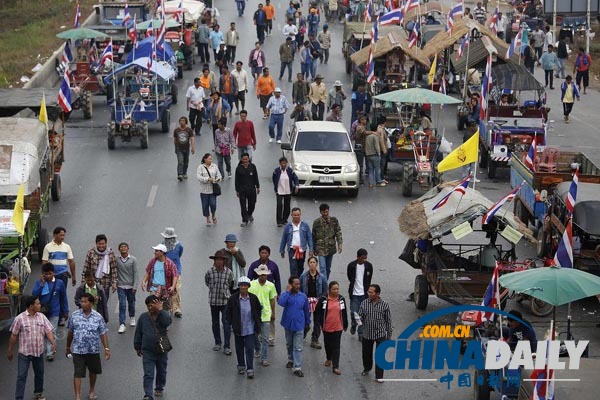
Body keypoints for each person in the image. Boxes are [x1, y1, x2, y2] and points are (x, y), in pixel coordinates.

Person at [8, 295, 56, 400]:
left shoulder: (42, 317)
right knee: (21, 376)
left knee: (39, 374)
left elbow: (48, 331)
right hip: (24, 353)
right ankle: (19, 397)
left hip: (38, 352)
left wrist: (52, 343)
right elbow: (13, 335)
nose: (40, 305)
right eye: (38, 303)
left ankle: (38, 393)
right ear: (31, 306)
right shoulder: (19, 319)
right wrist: (10, 350)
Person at [66, 293, 110, 400]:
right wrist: (68, 347)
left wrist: (106, 348)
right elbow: (70, 332)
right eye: (81, 301)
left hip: (93, 350)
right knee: (78, 373)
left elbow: (103, 333)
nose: (83, 304)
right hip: (78, 350)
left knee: (93, 372)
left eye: (85, 302)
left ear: (91, 303)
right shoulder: (74, 315)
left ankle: (91, 390)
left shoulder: (98, 317)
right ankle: (77, 396)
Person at [134, 295, 172, 400]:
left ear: (158, 304)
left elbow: (167, 322)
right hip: (148, 350)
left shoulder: (163, 315)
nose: (150, 308)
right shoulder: (143, 317)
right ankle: (148, 394)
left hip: (162, 347)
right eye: (148, 306)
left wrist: (161, 310)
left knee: (162, 370)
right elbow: (138, 333)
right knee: (148, 373)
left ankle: (159, 387)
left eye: (152, 305)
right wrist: (137, 346)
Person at [226, 276, 262, 378]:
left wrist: (257, 323)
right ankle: (241, 365)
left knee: (250, 348)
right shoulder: (233, 299)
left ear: (248, 287)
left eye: (245, 286)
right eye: (241, 286)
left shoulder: (253, 298)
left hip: (250, 328)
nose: (243, 288)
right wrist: (231, 323)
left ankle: (250, 368)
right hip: (238, 328)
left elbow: (258, 310)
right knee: (239, 348)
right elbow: (228, 313)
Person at [31, 263, 68, 361]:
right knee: (41, 332)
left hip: (55, 312)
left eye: (50, 273)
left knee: (51, 332)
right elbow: (34, 295)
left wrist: (65, 311)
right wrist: (41, 284)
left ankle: (50, 352)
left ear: (54, 273)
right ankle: (39, 350)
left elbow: (63, 298)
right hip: (41, 313)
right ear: (43, 274)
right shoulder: (39, 282)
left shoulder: (59, 283)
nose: (48, 276)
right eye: (46, 274)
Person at [359, 284, 393, 382]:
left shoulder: (384, 305)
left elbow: (388, 320)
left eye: (371, 292)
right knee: (366, 354)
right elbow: (360, 316)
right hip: (367, 333)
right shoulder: (364, 303)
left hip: (380, 334)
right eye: (368, 292)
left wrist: (389, 334)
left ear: (377, 294)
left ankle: (379, 376)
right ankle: (367, 368)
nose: (369, 294)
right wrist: (358, 319)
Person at [278, 276, 310, 377]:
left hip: (299, 324)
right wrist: (287, 292)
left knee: (298, 347)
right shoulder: (286, 295)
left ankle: (297, 367)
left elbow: (306, 310)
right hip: (288, 324)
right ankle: (290, 359)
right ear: (291, 285)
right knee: (289, 344)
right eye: (295, 284)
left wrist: (307, 323)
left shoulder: (303, 296)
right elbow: (281, 302)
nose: (298, 286)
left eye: (298, 284)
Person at [315, 281, 348, 375]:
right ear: (329, 290)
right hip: (326, 327)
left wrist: (345, 324)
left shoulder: (341, 299)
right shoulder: (323, 299)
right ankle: (329, 358)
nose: (336, 291)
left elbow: (344, 312)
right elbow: (317, 312)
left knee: (336, 346)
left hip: (338, 327)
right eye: (334, 289)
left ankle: (335, 366)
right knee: (328, 345)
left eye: (337, 289)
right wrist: (319, 324)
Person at [205, 250, 234, 355]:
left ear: (223, 261)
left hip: (225, 300)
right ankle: (217, 342)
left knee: (226, 323)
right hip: (213, 301)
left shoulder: (229, 272)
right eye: (217, 260)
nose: (218, 262)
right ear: (214, 261)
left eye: (220, 260)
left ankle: (227, 346)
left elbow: (230, 283)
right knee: (215, 323)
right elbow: (207, 282)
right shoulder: (209, 272)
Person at [249, 264, 277, 365]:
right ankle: (257, 348)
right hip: (254, 314)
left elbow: (272, 300)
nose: (263, 276)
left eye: (265, 274)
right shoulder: (251, 285)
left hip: (266, 314)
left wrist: (273, 313)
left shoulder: (271, 285)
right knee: (254, 335)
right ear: (258, 274)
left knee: (265, 338)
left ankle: (264, 358)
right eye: (261, 274)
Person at [299, 257, 328, 349]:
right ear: (308, 264)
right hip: (306, 301)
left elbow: (325, 290)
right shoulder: (303, 276)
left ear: (316, 264)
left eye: (314, 262)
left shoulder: (322, 277)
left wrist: (321, 300)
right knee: (305, 321)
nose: (312, 264)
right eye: (310, 262)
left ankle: (315, 339)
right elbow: (299, 288)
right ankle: (303, 332)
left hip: (318, 302)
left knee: (318, 322)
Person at [141, 244, 179, 313]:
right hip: (154, 288)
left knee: (166, 309)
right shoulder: (152, 262)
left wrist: (173, 286)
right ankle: (154, 322)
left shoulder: (170, 263)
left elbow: (175, 276)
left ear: (162, 252)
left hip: (166, 289)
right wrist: (144, 281)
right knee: (153, 307)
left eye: (156, 251)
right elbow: (148, 273)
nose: (154, 252)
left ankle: (165, 321)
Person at [81, 234, 118, 303]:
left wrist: (114, 283)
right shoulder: (91, 252)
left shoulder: (110, 253)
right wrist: (83, 281)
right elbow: (86, 268)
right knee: (92, 303)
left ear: (106, 243)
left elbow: (114, 269)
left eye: (103, 244)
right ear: (96, 244)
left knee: (103, 303)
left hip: (105, 283)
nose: (101, 246)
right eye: (99, 244)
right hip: (92, 283)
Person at [312, 203, 343, 280]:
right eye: (323, 212)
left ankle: (325, 281)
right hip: (320, 248)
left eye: (326, 211)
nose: (325, 214)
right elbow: (313, 236)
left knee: (327, 268)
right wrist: (312, 249)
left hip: (330, 248)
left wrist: (340, 244)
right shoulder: (316, 222)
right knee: (322, 267)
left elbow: (338, 232)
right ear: (320, 212)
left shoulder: (334, 221)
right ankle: (324, 286)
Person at [280, 207, 314, 277]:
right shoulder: (288, 226)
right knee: (293, 267)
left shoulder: (305, 225)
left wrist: (311, 249)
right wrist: (282, 250)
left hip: (302, 250)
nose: (296, 217)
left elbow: (309, 237)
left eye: (298, 215)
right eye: (294, 215)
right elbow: (284, 238)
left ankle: (299, 279)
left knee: (300, 266)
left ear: (300, 215)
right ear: (291, 215)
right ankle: (293, 281)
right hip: (292, 250)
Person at [347, 249, 372, 340]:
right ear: (358, 257)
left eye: (365, 258)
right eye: (362, 258)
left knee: (363, 315)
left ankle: (360, 333)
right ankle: (354, 324)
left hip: (364, 295)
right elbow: (350, 277)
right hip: (354, 294)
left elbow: (369, 279)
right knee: (354, 313)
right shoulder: (352, 266)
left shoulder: (369, 266)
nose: (364, 260)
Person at [42, 226, 76, 292]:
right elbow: (44, 262)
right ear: (55, 235)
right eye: (61, 235)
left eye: (63, 235)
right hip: (51, 275)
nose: (62, 237)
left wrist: (73, 276)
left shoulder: (67, 247)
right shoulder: (48, 247)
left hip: (63, 275)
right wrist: (44, 275)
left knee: (62, 293)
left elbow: (71, 262)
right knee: (52, 292)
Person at [161, 228, 183, 318]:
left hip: (176, 271)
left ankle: (176, 308)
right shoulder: (161, 246)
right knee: (165, 289)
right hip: (164, 271)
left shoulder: (179, 246)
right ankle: (165, 306)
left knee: (176, 289)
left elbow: (180, 254)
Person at [116, 242, 137, 332]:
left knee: (131, 303)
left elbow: (136, 273)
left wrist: (135, 286)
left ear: (128, 248)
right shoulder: (116, 259)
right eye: (121, 247)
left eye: (125, 247)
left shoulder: (133, 259)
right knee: (122, 304)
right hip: (120, 286)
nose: (123, 248)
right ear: (119, 249)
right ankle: (122, 323)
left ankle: (132, 317)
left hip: (131, 286)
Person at [197, 153, 223, 225]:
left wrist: (217, 179)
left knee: (213, 204)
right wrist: (207, 179)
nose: (211, 160)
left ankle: (213, 215)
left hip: (212, 190)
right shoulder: (201, 167)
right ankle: (207, 218)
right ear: (205, 159)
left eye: (211, 159)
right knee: (205, 205)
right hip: (204, 191)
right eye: (209, 159)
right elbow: (198, 177)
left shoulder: (214, 166)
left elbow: (219, 176)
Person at [272, 157, 299, 227]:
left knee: (287, 206)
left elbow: (295, 178)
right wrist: (276, 188)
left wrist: (296, 186)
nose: (283, 165)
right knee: (279, 205)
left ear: (286, 163)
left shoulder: (290, 171)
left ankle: (284, 220)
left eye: (285, 163)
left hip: (287, 191)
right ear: (280, 164)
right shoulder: (276, 171)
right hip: (279, 191)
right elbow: (274, 179)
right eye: (282, 163)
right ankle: (279, 221)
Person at [235, 153, 260, 226]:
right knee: (243, 205)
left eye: (246, 159)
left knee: (252, 204)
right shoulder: (239, 168)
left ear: (249, 159)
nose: (245, 160)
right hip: (242, 190)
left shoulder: (252, 167)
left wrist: (258, 186)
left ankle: (249, 214)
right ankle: (244, 220)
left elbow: (256, 177)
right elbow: (236, 180)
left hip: (252, 189)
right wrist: (237, 190)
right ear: (241, 160)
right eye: (244, 159)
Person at [173, 116, 195, 181]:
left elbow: (192, 139)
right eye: (180, 121)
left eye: (183, 121)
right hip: (179, 148)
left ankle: (184, 173)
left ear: (186, 122)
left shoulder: (189, 130)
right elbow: (175, 140)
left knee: (186, 162)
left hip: (186, 148)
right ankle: (179, 174)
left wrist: (193, 147)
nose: (181, 122)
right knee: (180, 161)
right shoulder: (176, 130)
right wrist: (176, 148)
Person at [353, 114, 368, 182]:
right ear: (361, 120)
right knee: (360, 164)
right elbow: (365, 133)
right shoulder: (359, 127)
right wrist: (374, 133)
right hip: (359, 148)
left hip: (363, 147)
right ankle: (359, 178)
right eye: (364, 119)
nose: (365, 121)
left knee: (362, 163)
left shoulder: (363, 126)